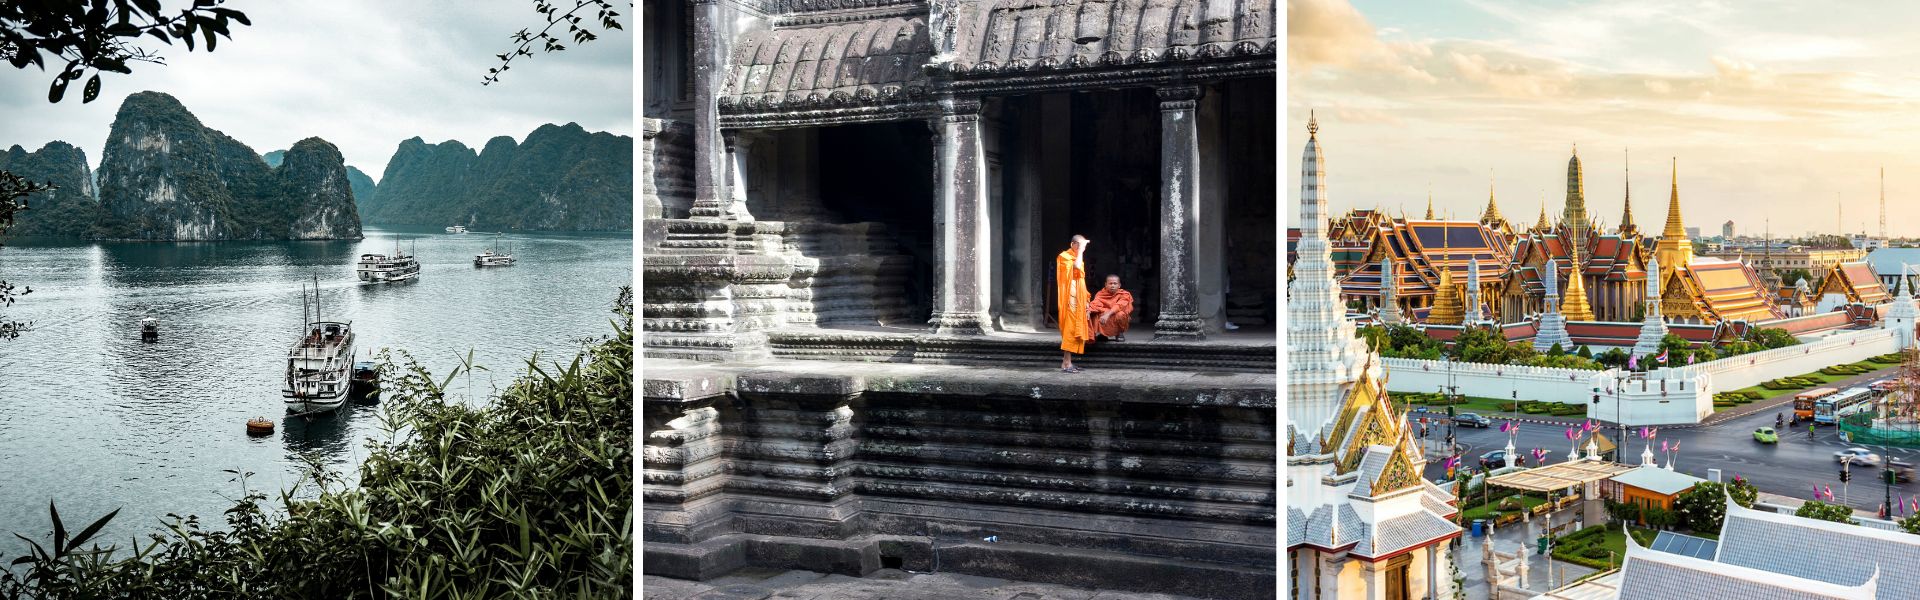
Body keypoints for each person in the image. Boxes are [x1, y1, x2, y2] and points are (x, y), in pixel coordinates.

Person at [1056, 235, 1093, 372]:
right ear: (1072, 244)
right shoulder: (1064, 256)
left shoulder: (1078, 258)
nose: (1081, 248)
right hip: (1069, 299)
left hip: (1078, 298)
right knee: (1069, 330)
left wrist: (1086, 299)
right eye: (1079, 245)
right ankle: (1066, 363)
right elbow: (1076, 268)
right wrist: (1082, 250)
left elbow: (1081, 280)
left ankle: (1068, 362)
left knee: (1075, 330)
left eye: (1083, 246)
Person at [1089, 274, 1134, 342]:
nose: (1112, 285)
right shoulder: (1100, 294)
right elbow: (1095, 305)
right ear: (1106, 284)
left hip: (1116, 315)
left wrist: (1107, 314)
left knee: (1120, 314)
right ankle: (1103, 334)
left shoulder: (1124, 294)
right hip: (1104, 315)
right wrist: (1089, 310)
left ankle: (1119, 333)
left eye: (1115, 283)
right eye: (1110, 283)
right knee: (1094, 313)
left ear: (1119, 285)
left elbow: (1119, 305)